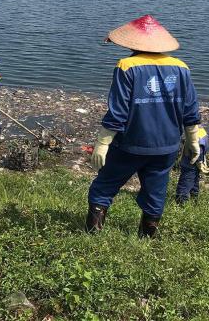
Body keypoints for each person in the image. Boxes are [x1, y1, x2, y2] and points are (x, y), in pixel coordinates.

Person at [86, 14, 202, 238]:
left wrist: (102, 143)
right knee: (156, 193)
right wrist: (193, 140)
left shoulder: (127, 66)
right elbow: (190, 109)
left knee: (103, 187)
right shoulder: (182, 67)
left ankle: (92, 237)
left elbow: (118, 110)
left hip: (130, 144)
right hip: (167, 146)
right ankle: (147, 240)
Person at [175, 125, 209, 205]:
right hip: (194, 164)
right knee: (195, 181)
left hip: (190, 164)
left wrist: (199, 162)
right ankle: (194, 199)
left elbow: (198, 151)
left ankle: (181, 203)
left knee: (185, 183)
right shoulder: (202, 132)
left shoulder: (195, 135)